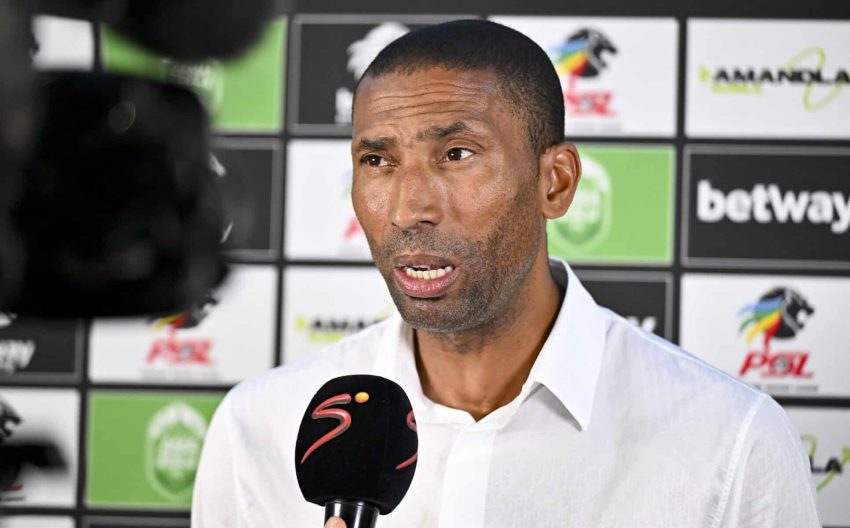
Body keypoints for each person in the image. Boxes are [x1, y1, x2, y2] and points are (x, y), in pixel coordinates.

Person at [191, 19, 820, 527]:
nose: (409, 208)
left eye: (456, 153)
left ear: (556, 182)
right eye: (377, 160)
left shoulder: (731, 441)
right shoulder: (258, 429)